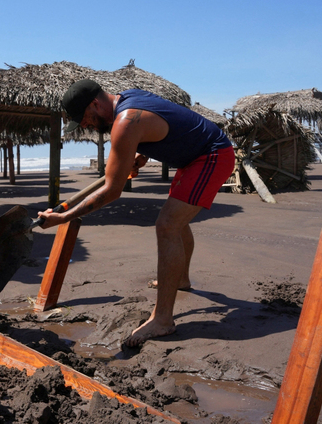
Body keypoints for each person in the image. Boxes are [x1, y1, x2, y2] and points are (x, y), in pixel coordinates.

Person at [39, 79, 235, 347]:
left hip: (212, 156)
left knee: (168, 224)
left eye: (83, 118)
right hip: (191, 158)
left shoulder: (125, 121)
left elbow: (111, 190)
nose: (85, 125)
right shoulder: (127, 100)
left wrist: (64, 217)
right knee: (175, 219)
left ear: (95, 104)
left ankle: (162, 319)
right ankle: (182, 279)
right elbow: (164, 124)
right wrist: (141, 154)